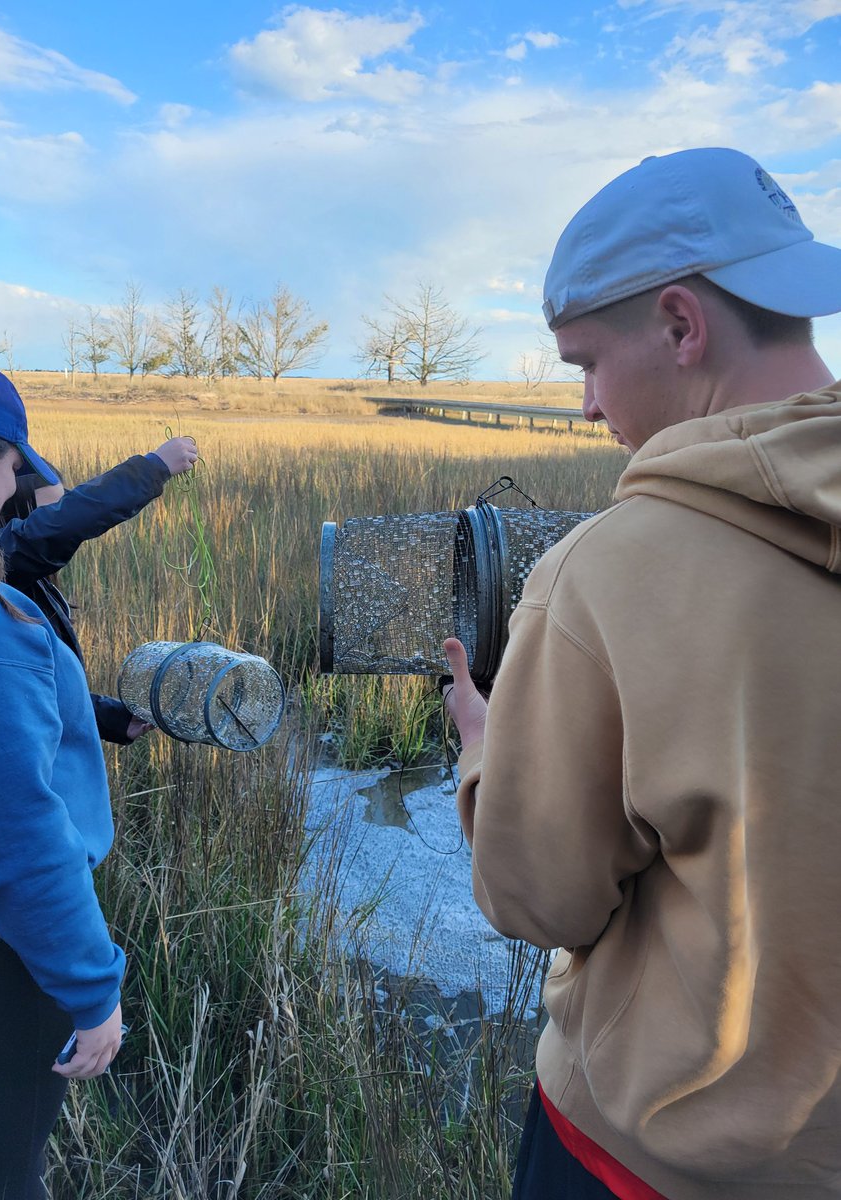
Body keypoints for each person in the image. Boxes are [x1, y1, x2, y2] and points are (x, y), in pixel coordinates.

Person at [442, 147, 841, 1200]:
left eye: (584, 362)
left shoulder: (602, 575)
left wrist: (487, 754)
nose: (582, 405)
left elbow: (542, 898)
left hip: (642, 1163)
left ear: (680, 324)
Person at [0, 353, 125, 1198]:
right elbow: (16, 838)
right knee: (0, 1171)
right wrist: (93, 992)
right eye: (13, 463)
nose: (16, 487)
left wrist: (113, 717)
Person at [0, 434, 198, 744]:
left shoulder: (35, 585)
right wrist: (153, 468)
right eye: (53, 512)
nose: (66, 526)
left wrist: (112, 719)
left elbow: (35, 691)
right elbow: (67, 523)